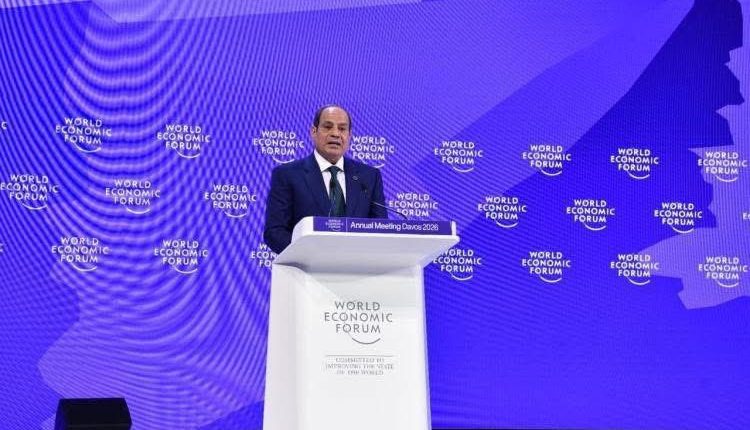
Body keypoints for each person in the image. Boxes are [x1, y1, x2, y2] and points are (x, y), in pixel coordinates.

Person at [263, 105, 387, 254]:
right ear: (313, 132)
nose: (335, 133)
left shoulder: (369, 177)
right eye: (328, 127)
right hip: (307, 265)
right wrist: (311, 256)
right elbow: (275, 232)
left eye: (342, 129)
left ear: (349, 136)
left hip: (357, 265)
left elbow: (381, 229)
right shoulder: (287, 175)